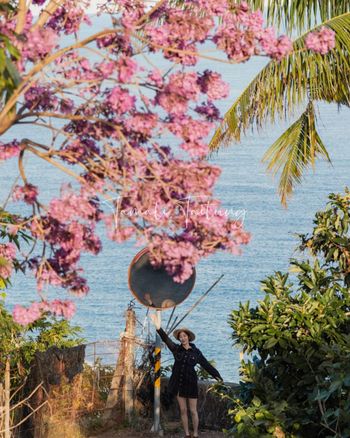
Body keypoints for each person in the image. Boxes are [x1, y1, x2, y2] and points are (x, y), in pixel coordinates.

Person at [149, 313, 223, 438]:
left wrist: (218, 376)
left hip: (191, 383)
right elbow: (166, 339)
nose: (182, 338)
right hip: (179, 384)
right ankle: (187, 434)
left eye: (184, 336)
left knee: (193, 411)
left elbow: (206, 365)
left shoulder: (196, 352)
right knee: (183, 410)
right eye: (180, 337)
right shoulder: (176, 349)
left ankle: (195, 434)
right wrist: (158, 327)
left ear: (188, 337)